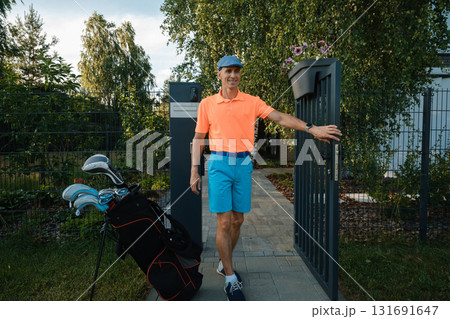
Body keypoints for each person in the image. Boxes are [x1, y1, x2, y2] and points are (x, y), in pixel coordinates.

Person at [190, 56, 341, 301]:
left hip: (242, 163)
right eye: (227, 71)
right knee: (224, 223)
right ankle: (230, 279)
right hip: (219, 163)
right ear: (219, 74)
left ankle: (223, 262)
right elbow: (198, 138)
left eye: (236, 72)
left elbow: (280, 117)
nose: (232, 76)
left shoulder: (251, 102)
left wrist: (312, 129)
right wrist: (194, 170)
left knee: (238, 220)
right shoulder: (207, 104)